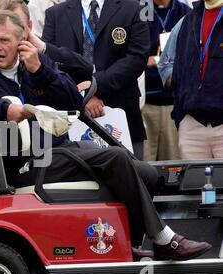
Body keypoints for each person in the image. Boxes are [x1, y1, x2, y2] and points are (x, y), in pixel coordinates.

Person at [0, 10, 212, 261]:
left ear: (21, 41)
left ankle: (128, 242)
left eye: (4, 40)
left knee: (148, 173)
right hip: (24, 164)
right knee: (116, 158)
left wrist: (41, 71)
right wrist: (6, 109)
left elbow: (73, 100)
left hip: (58, 150)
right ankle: (164, 238)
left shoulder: (34, 65)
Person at [42, 0, 150, 160]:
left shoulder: (135, 8)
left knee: (132, 178)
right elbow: (49, 62)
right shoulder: (55, 14)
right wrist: (82, 94)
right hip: (71, 116)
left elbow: (137, 58)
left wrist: (94, 86)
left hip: (121, 110)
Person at [0, 0, 93, 100]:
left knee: (112, 150)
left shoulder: (40, 57)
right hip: (2, 138)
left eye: (18, 26)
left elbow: (86, 70)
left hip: (46, 140)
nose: (12, 31)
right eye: (4, 27)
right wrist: (1, 108)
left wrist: (43, 50)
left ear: (29, 27)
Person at [172, 0, 223, 159]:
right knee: (193, 184)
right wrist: (180, 118)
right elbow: (178, 71)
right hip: (192, 125)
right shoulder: (190, 19)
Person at [143, 0, 190, 161]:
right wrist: (147, 60)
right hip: (145, 102)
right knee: (145, 164)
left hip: (174, 103)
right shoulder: (141, 9)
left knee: (173, 164)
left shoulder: (185, 11)